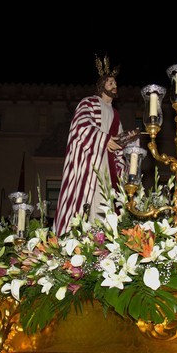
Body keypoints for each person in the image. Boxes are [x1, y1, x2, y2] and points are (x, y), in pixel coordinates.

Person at [53, 55, 127, 236]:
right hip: (90, 164)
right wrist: (103, 139)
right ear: (102, 86)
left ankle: (104, 240)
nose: (114, 85)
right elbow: (80, 125)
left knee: (108, 205)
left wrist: (126, 142)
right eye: (110, 83)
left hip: (108, 168)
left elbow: (118, 140)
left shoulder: (116, 114)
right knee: (88, 203)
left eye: (115, 83)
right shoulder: (90, 102)